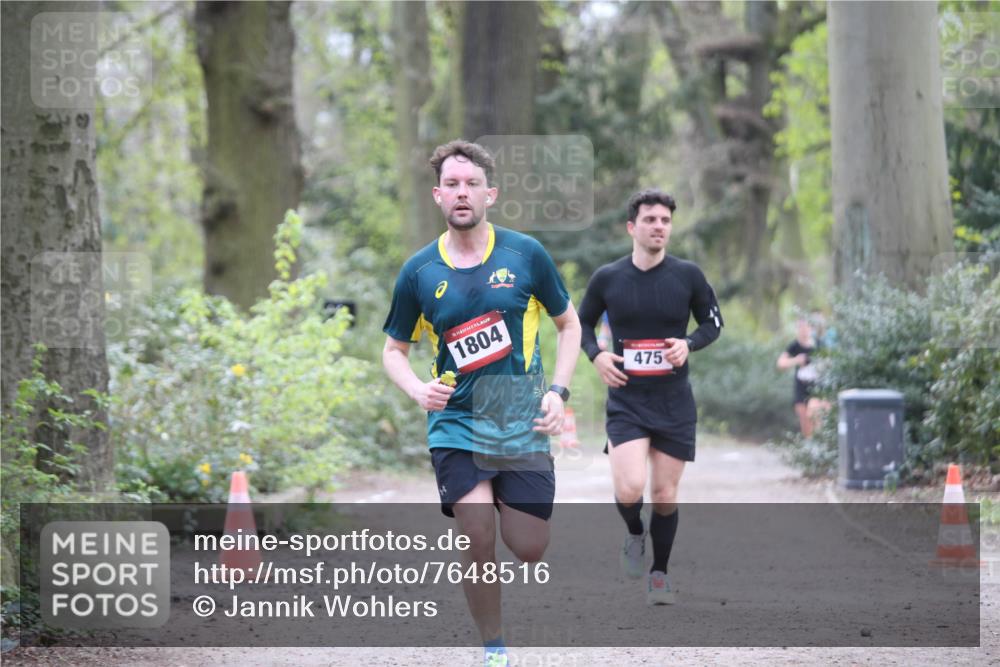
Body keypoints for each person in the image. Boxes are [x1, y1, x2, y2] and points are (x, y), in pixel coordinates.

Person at [382, 140, 581, 666]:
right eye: (452, 184)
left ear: (490, 194)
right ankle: (494, 649)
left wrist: (558, 393)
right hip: (455, 421)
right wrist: (417, 390)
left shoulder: (525, 255)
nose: (462, 192)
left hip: (518, 414)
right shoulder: (419, 271)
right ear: (437, 195)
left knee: (529, 545)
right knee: (476, 534)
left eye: (472, 184)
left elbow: (569, 325)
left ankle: (499, 494)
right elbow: (393, 351)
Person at [578, 189, 723, 605]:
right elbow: (582, 323)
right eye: (650, 220)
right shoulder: (608, 277)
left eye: (665, 221)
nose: (659, 226)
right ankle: (633, 534)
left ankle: (659, 574)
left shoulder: (688, 275)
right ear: (632, 227)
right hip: (627, 399)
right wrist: (597, 355)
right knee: (629, 489)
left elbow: (713, 322)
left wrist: (688, 344)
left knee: (663, 494)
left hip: (674, 400)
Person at [777, 317, 829, 437]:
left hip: (817, 387)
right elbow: (780, 363)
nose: (803, 330)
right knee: (805, 424)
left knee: (815, 414)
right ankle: (810, 447)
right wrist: (796, 360)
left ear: (811, 328)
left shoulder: (819, 344)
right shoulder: (794, 346)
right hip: (801, 387)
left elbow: (829, 362)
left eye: (805, 327)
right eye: (800, 327)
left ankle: (819, 444)